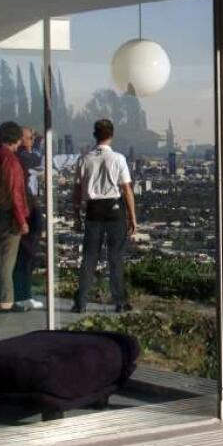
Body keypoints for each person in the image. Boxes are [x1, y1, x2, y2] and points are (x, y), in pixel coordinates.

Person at [72, 119, 136, 314]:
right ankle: (120, 302)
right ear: (111, 134)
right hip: (114, 210)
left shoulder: (84, 159)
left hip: (93, 211)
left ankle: (81, 303)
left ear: (95, 135)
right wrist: (132, 217)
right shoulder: (118, 159)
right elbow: (126, 189)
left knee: (89, 258)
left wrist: (76, 214)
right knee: (115, 258)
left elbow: (77, 189)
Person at [0, 121, 28, 312]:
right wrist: (21, 220)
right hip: (8, 214)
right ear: (15, 139)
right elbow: (15, 193)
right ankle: (6, 301)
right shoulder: (11, 161)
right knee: (7, 260)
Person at [12, 126, 44, 312]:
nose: (32, 140)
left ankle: (23, 294)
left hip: (29, 204)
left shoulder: (23, 155)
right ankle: (22, 295)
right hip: (26, 206)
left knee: (27, 253)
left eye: (33, 138)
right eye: (29, 138)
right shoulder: (21, 156)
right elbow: (38, 160)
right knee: (26, 253)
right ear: (20, 139)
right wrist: (39, 144)